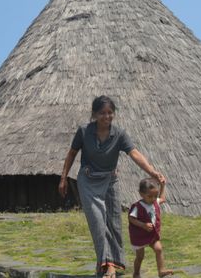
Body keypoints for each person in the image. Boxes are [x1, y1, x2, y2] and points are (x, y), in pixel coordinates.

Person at [59, 96, 166, 277]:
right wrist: (63, 178)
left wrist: (153, 172)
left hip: (110, 181)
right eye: (102, 113)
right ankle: (105, 264)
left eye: (110, 113)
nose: (106, 116)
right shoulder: (84, 131)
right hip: (88, 181)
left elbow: (134, 153)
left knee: (114, 223)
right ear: (94, 114)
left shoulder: (119, 134)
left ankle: (112, 264)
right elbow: (71, 154)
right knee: (98, 222)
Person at [128, 178, 172, 277]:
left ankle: (161, 271)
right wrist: (143, 225)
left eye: (155, 196)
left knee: (159, 249)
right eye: (149, 196)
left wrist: (163, 186)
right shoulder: (137, 206)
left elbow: (163, 198)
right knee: (140, 256)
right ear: (141, 194)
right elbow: (131, 218)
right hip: (139, 235)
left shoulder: (155, 201)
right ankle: (136, 273)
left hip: (152, 234)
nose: (153, 199)